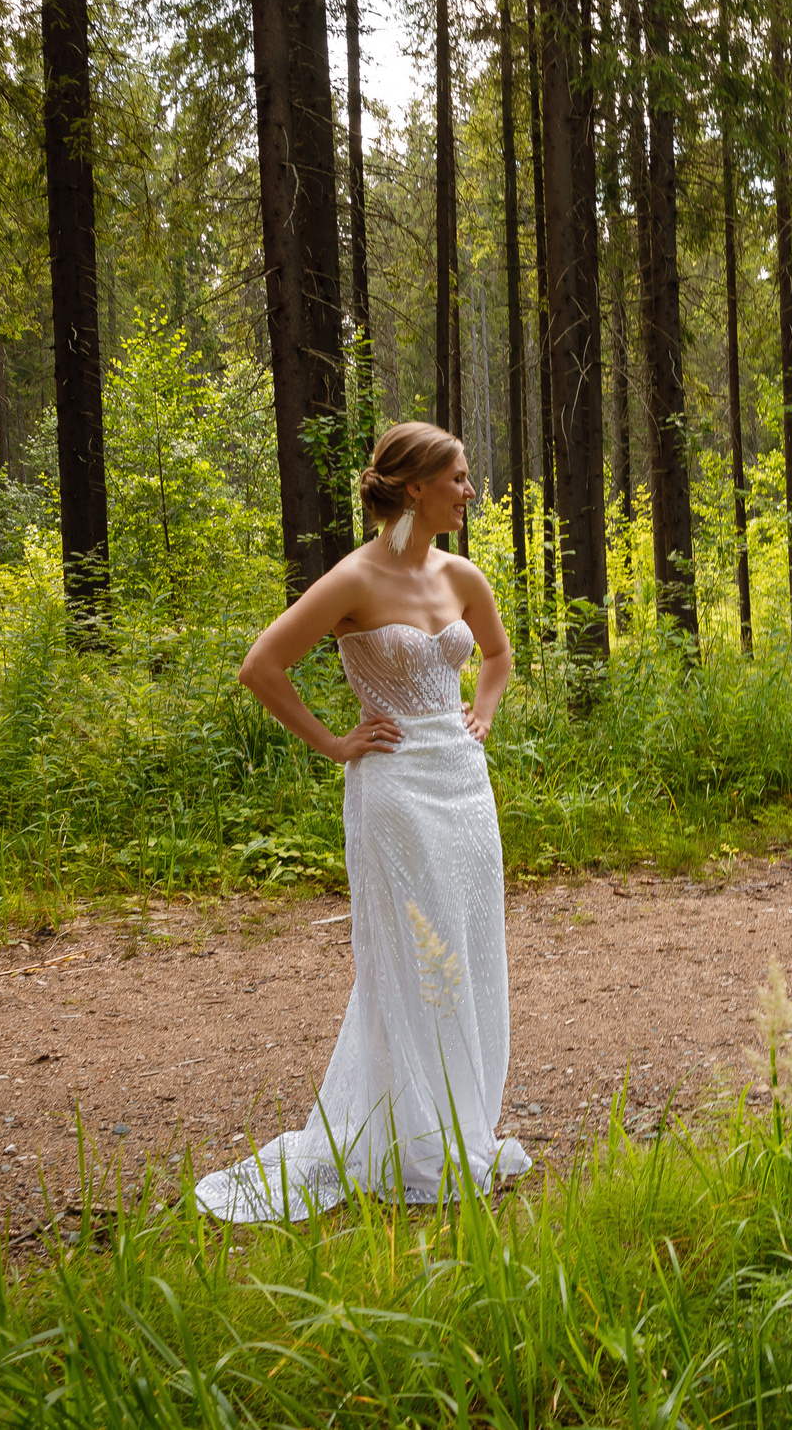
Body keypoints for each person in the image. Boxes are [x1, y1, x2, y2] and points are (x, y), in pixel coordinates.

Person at [194, 422, 531, 1220]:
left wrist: (480, 713)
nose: (469, 490)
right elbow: (261, 666)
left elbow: (497, 655)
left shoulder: (462, 575)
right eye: (456, 477)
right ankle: (416, 1139)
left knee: (471, 945)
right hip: (392, 793)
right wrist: (335, 743)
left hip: (462, 784)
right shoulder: (352, 580)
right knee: (414, 953)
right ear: (414, 487)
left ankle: (460, 1127)